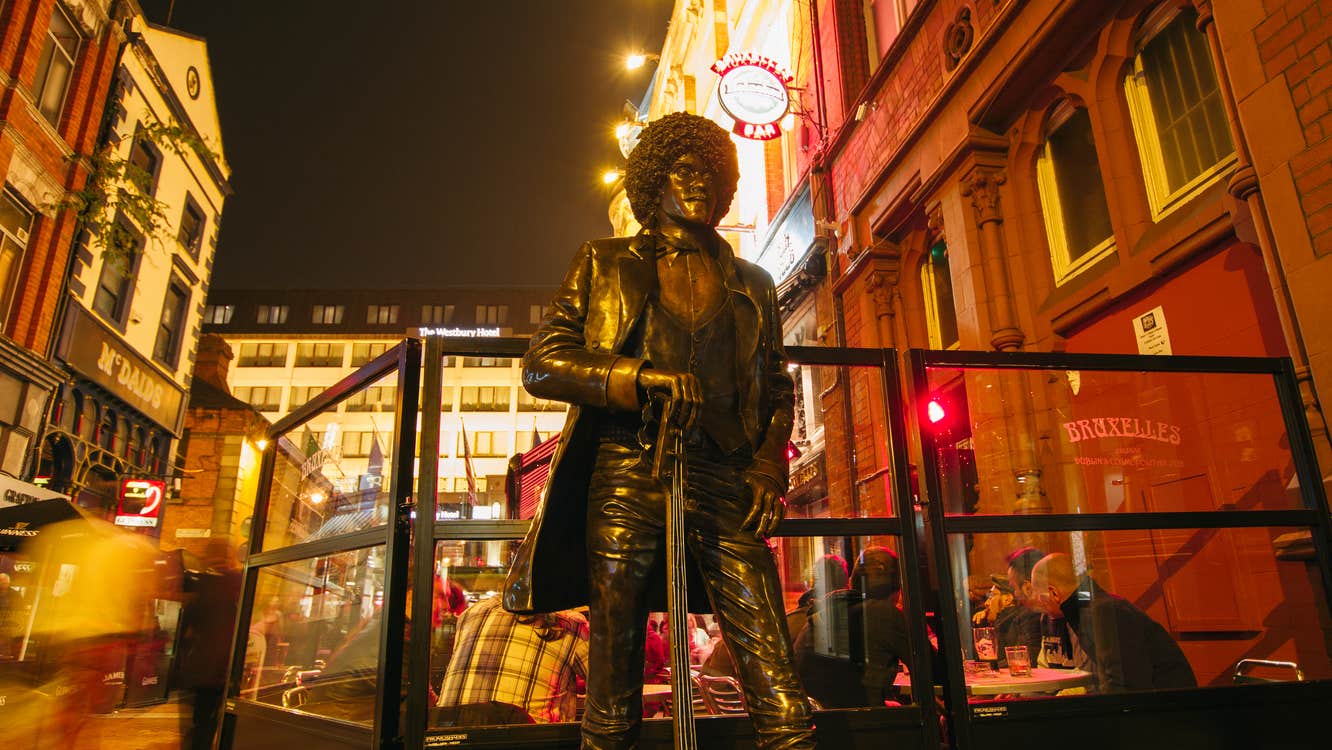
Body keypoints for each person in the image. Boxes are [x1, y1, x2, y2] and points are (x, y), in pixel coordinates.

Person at [503, 111, 815, 749]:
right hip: (627, 472)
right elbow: (542, 363)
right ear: (653, 178)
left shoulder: (753, 285)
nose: (698, 182)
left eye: (711, 172)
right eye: (682, 168)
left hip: (727, 479)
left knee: (776, 675)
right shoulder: (605, 262)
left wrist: (768, 468)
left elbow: (778, 389)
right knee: (614, 668)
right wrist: (639, 376)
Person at [1030, 553, 1197, 693]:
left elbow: (1124, 685)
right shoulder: (1095, 605)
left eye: (1039, 598)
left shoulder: (1101, 612)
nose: (1040, 606)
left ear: (1054, 593)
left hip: (1167, 715)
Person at [436, 595, 590, 724]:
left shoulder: (471, 613)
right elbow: (610, 689)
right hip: (524, 742)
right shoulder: (570, 624)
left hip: (446, 739)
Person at [793, 547, 912, 708]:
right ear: (898, 591)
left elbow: (841, 688)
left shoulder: (823, 613)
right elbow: (935, 669)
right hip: (857, 726)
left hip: (820, 725)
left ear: (850, 582)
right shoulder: (883, 614)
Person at [176, 539, 242, 750]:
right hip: (223, 669)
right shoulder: (237, 582)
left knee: (197, 726)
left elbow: (185, 626)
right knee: (214, 725)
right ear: (229, 557)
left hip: (199, 669)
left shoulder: (200, 583)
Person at [0, 571, 24, 659]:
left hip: (8, 621)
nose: (3, 585)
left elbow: (19, 607)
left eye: (5, 583)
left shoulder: (15, 594)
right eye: (2, 582)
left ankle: (5, 655)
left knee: (6, 639)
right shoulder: (15, 594)